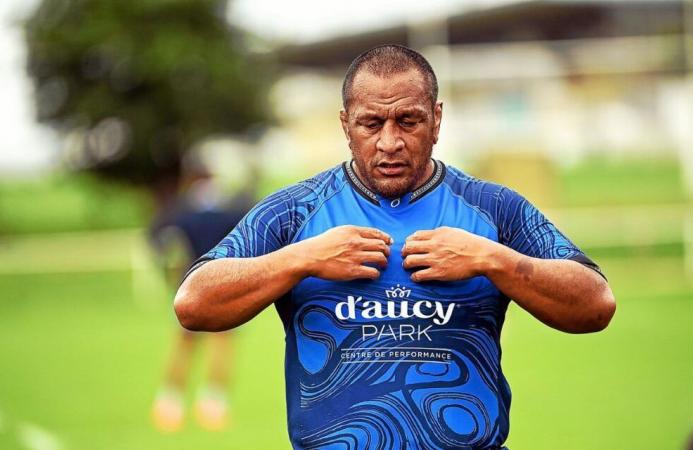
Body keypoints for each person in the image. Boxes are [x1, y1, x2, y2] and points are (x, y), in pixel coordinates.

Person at [173, 45, 616, 449]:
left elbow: (595, 304)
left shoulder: (492, 208)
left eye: (408, 120)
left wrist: (491, 258)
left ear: (436, 120)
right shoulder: (294, 213)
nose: (390, 142)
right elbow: (194, 303)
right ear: (346, 124)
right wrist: (302, 258)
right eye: (371, 123)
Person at [149, 161, 254, 432]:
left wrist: (168, 271)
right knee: (222, 344)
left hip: (191, 281)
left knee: (183, 344)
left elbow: (159, 239)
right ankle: (214, 406)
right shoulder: (230, 207)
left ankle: (169, 404)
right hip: (223, 282)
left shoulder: (183, 209)